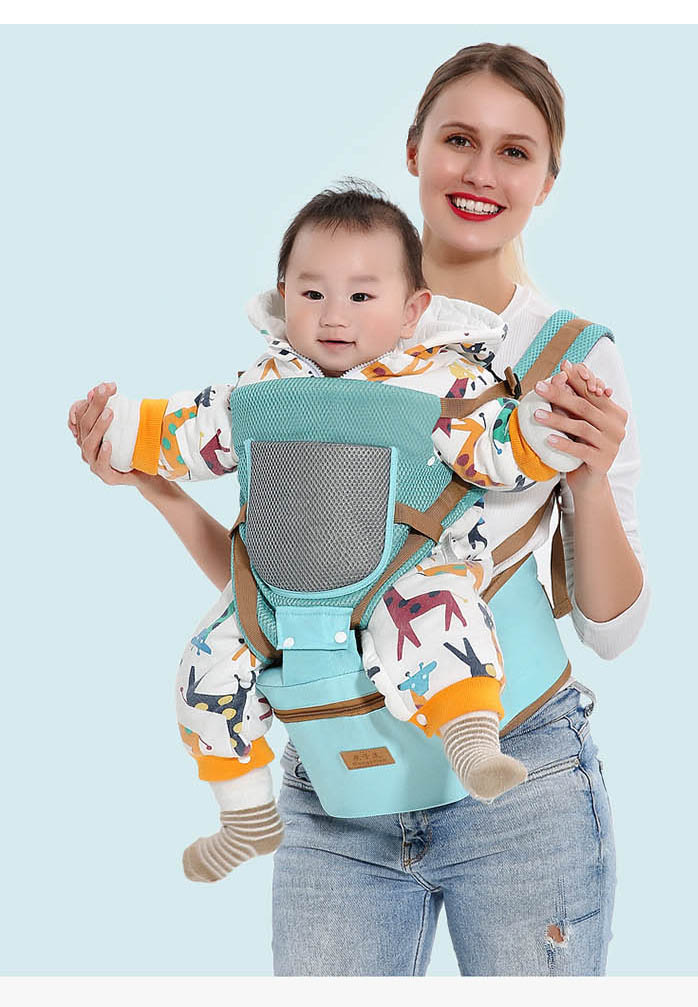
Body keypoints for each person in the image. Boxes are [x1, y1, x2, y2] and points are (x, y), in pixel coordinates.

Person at [69, 43, 647, 975]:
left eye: (515, 151)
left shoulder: (565, 361)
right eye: (458, 139)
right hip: (334, 774)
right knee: (206, 666)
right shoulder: (309, 336)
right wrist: (148, 474)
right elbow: (280, 572)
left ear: (548, 180)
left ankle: (467, 727)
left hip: (518, 777)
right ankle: (239, 805)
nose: (481, 171)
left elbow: (613, 632)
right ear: (414, 148)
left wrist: (583, 469)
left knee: (435, 605)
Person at [98, 182, 608, 884]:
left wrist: (552, 425)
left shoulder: (438, 384)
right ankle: (245, 813)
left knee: (445, 621)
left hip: (405, 573)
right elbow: (187, 430)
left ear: (412, 310)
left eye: (362, 296)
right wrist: (118, 427)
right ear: (284, 296)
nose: (335, 315)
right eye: (313, 294)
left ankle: (471, 742)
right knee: (204, 667)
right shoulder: (262, 387)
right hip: (276, 592)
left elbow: (500, 448)